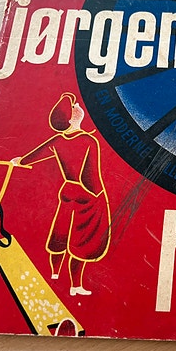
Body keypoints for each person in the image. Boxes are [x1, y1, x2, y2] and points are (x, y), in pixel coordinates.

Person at [12, 92, 111, 296]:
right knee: (82, 241)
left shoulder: (58, 140)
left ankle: (55, 275)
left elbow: (35, 155)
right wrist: (99, 197)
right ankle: (75, 286)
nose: (78, 106)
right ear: (72, 118)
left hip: (67, 191)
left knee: (61, 233)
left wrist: (19, 161)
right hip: (87, 195)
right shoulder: (89, 140)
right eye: (74, 106)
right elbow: (91, 173)